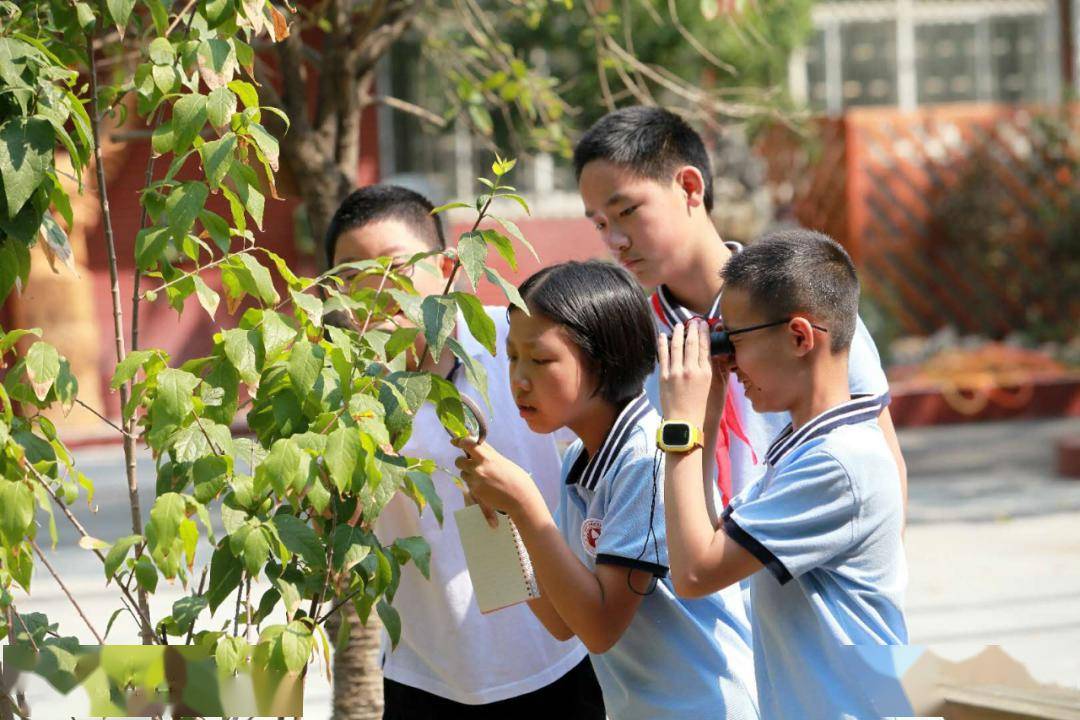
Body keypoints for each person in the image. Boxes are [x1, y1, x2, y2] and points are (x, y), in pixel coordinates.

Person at [324, 185, 603, 718]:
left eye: (393, 266)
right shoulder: (338, 389)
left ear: (449, 264)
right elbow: (336, 536)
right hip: (425, 675)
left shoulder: (516, 342)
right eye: (350, 276)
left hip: (558, 660)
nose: (374, 289)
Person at [454, 260, 759, 720]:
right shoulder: (579, 459)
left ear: (604, 360)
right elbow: (562, 622)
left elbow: (599, 628)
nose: (518, 379)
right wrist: (493, 528)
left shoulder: (647, 459)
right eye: (512, 356)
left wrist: (525, 505)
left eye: (540, 359)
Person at [573, 106, 906, 511]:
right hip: (688, 567)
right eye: (600, 224)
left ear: (689, 187)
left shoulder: (803, 297)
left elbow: (881, 453)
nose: (616, 241)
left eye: (627, 211)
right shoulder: (631, 340)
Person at [657, 230, 910, 719]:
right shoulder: (804, 449)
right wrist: (705, 417)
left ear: (798, 336)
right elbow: (707, 544)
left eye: (735, 336)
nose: (726, 356)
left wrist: (679, 425)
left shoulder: (839, 463)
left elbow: (693, 573)